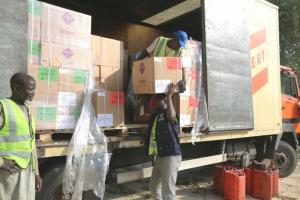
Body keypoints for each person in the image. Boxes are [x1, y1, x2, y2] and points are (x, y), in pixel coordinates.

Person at [126, 31, 189, 123]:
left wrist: (184, 81)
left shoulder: (180, 51)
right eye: (179, 44)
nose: (179, 47)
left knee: (161, 101)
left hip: (164, 79)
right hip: (152, 74)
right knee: (141, 96)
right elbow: (146, 52)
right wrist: (136, 64)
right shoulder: (160, 40)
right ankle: (139, 118)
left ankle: (158, 120)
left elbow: (182, 67)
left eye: (181, 45)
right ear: (174, 38)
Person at [0, 73, 42, 200]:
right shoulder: (4, 107)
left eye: (34, 89)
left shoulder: (27, 110)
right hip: (10, 174)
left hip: (27, 172)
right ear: (17, 88)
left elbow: (31, 144)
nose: (33, 92)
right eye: (30, 89)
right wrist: (1, 162)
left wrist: (36, 173)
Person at [145, 83, 182, 200]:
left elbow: (171, 116)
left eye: (159, 99)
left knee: (168, 192)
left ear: (165, 100)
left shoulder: (169, 115)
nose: (156, 101)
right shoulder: (156, 115)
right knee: (153, 186)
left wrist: (170, 95)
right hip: (160, 156)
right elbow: (142, 116)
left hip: (171, 156)